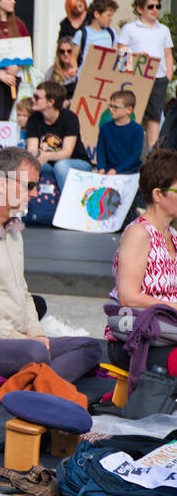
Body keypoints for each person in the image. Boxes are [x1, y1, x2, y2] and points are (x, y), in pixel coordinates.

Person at [0, 147, 100, 381]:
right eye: (29, 185)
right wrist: (21, 339)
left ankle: (36, 386)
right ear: (2, 184)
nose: (34, 194)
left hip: (12, 339)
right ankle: (41, 384)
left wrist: (36, 333)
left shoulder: (13, 229)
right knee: (35, 352)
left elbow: (23, 292)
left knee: (90, 347)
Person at [106, 149, 177, 359]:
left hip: (167, 332)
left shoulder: (172, 235)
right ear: (158, 194)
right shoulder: (138, 233)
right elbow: (129, 297)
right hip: (139, 338)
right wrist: (173, 307)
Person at [118, 0, 174, 148]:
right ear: (139, 9)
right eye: (150, 6)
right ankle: (127, 151)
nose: (155, 9)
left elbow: (168, 54)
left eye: (158, 6)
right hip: (136, 78)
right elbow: (122, 52)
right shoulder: (129, 29)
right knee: (130, 115)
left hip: (159, 78)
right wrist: (135, 58)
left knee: (154, 117)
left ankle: (152, 152)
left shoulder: (163, 30)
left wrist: (168, 75)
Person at [26, 81, 92, 189]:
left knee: (60, 166)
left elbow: (67, 152)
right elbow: (32, 149)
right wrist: (36, 156)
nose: (33, 99)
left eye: (37, 97)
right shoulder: (34, 119)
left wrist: (46, 156)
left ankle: (70, 202)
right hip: (48, 163)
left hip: (77, 162)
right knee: (25, 164)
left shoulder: (69, 118)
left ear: (50, 102)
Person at [97, 89, 145, 175]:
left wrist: (117, 170)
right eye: (110, 106)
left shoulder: (137, 129)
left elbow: (135, 155)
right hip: (108, 171)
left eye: (115, 107)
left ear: (129, 110)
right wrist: (101, 168)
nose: (111, 110)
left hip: (130, 172)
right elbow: (101, 151)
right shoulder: (105, 128)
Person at [74, 0, 117, 70]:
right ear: (96, 14)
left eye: (112, 15)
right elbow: (73, 58)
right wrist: (74, 69)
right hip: (85, 77)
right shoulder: (82, 34)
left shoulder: (111, 33)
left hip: (104, 76)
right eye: (108, 15)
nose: (111, 19)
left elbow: (116, 53)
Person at [44, 37, 81, 105]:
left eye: (69, 51)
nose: (65, 54)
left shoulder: (82, 70)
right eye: (62, 51)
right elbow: (45, 92)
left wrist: (69, 102)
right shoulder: (52, 71)